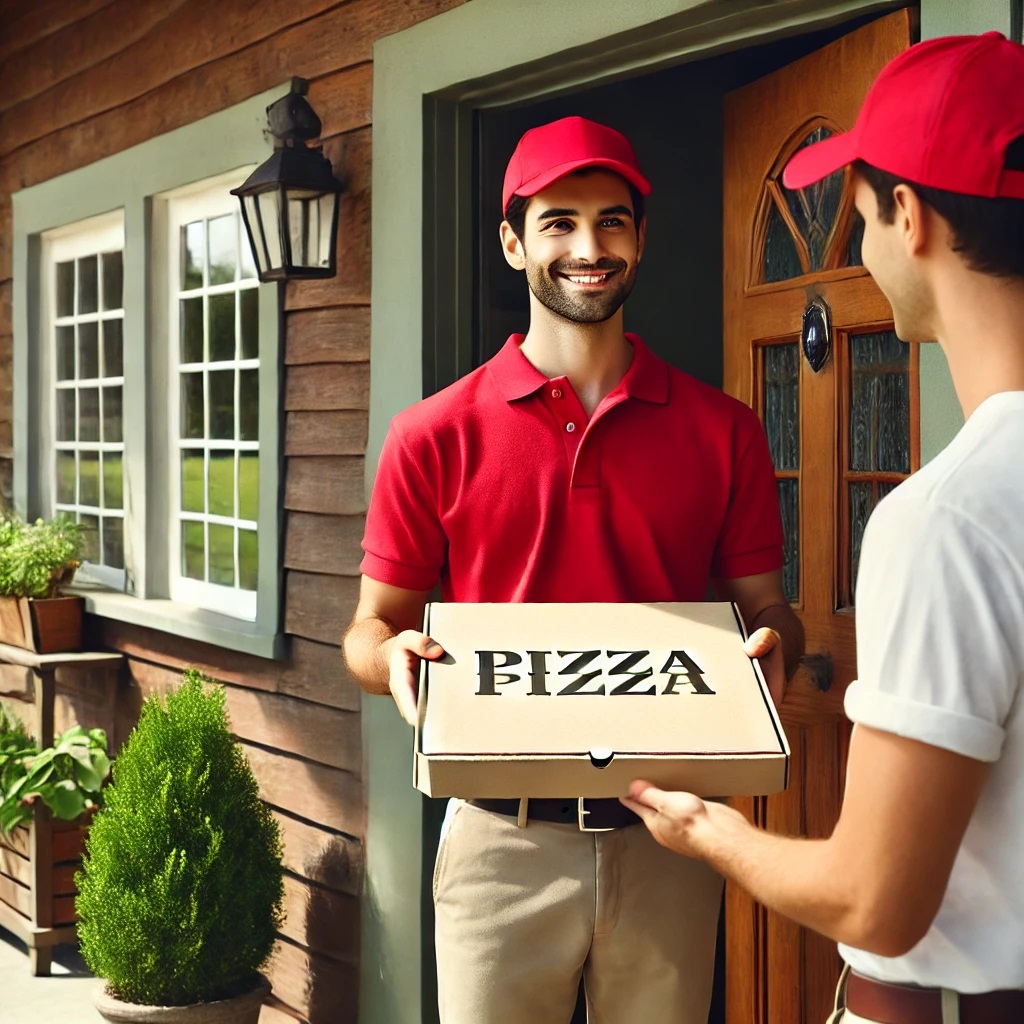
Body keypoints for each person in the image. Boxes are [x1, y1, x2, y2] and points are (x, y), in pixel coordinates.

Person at [343, 114, 804, 1024]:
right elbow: (371, 628)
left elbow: (769, 611)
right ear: (514, 242)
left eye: (612, 221)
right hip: (497, 843)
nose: (588, 247)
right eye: (558, 222)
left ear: (640, 240)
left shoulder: (725, 431)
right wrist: (389, 659)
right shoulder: (432, 434)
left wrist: (772, 648)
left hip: (671, 832)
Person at [623, 31, 1024, 1024]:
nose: (857, 247)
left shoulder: (947, 520)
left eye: (857, 213)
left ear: (908, 214)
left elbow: (874, 901)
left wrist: (710, 833)